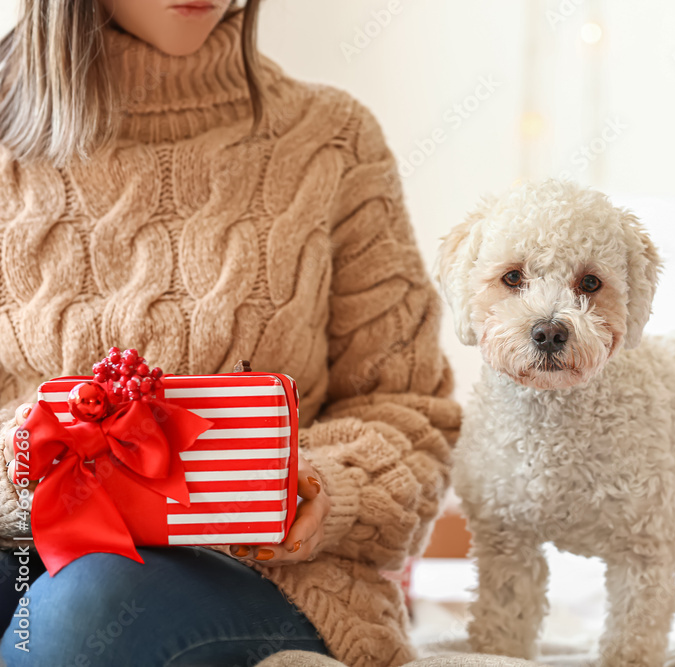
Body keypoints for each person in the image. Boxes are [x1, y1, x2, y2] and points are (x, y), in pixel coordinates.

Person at [0, 1, 459, 665]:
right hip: (23, 551)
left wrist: (320, 483)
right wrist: (33, 466)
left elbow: (413, 413)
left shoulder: (332, 139)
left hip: (269, 580)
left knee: (83, 610)